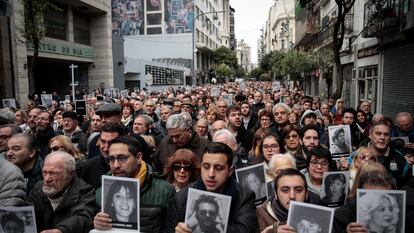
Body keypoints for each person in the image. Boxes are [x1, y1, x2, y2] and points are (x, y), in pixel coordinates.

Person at [164, 142, 258, 233]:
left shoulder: (244, 197)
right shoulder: (181, 198)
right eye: (206, 167)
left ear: (230, 171)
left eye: (218, 168)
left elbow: (245, 230)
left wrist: (203, 227)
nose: (211, 174)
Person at [93, 135, 175, 232]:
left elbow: (171, 229)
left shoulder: (164, 191)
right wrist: (96, 223)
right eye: (111, 159)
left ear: (139, 157)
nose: (115, 165)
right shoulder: (101, 192)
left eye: (122, 158)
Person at [28, 151, 95, 233]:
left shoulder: (84, 191)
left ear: (70, 174)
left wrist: (61, 230)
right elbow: (28, 215)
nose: (47, 179)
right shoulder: (38, 188)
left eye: (53, 173)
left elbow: (82, 218)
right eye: (44, 173)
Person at [256, 168, 308, 233]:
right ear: (275, 194)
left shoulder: (316, 209)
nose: (292, 196)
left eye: (298, 190)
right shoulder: (261, 214)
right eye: (285, 190)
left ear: (306, 194)